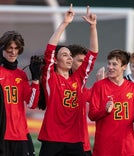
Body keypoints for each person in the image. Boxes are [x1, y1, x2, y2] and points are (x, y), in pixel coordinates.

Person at [38, 4, 98, 156]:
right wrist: (64, 23)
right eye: (65, 55)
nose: (69, 57)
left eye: (71, 55)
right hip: (52, 139)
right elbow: (50, 49)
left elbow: (93, 54)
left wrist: (92, 28)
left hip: (75, 140)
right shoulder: (51, 78)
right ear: (56, 61)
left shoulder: (78, 79)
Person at [88, 49, 134, 156]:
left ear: (124, 67)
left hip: (127, 147)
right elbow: (92, 115)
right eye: (109, 63)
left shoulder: (133, 87)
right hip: (105, 147)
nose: (110, 67)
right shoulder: (99, 86)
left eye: (114, 64)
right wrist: (105, 110)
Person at [0, 30, 42, 156]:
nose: (13, 52)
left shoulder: (21, 75)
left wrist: (35, 79)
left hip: (20, 135)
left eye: (16, 48)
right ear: (2, 48)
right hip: (2, 135)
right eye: (9, 48)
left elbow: (32, 103)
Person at [68, 44, 105, 156]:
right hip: (64, 142)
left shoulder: (81, 86)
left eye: (84, 62)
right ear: (69, 60)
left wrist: (100, 84)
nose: (83, 65)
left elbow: (90, 95)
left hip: (82, 143)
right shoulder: (59, 82)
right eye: (80, 61)